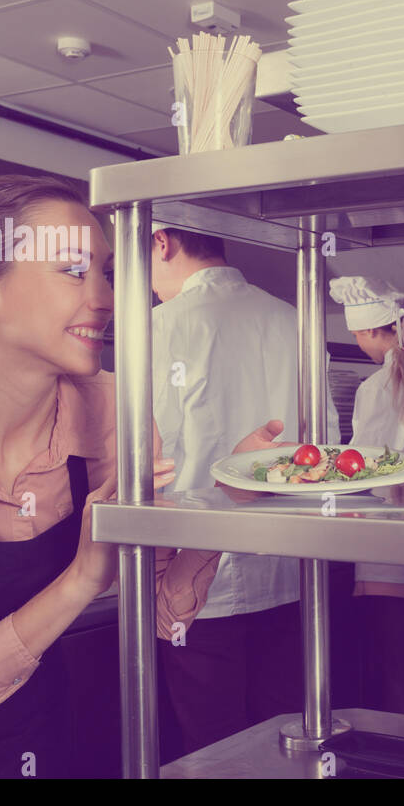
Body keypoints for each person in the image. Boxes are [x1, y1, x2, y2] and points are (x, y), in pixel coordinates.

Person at [0, 175, 283, 778]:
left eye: (107, 273)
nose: (105, 298)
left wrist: (226, 501)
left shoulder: (115, 412)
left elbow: (163, 616)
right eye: (73, 271)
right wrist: (80, 580)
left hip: (38, 742)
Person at [149, 222, 340, 757]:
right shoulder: (293, 319)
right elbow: (323, 451)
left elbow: (146, 459)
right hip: (289, 574)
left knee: (211, 751)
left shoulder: (161, 328)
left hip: (195, 588)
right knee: (284, 745)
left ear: (161, 242)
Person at [329, 276, 404, 717]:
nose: (359, 345)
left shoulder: (374, 388)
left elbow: (360, 463)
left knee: (395, 669)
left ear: (371, 333)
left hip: (389, 542)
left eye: (358, 336)